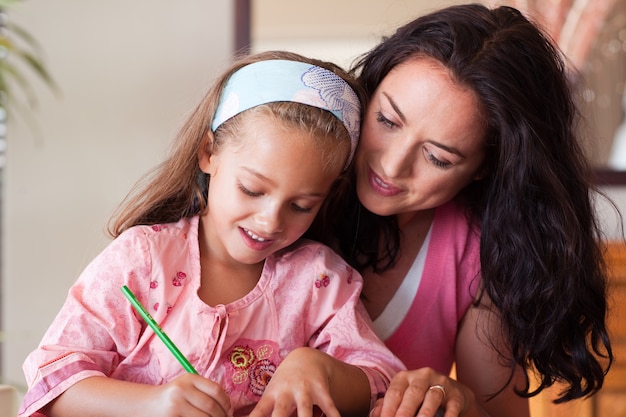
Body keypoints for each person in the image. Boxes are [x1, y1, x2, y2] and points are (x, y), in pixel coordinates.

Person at [18, 50, 405, 417]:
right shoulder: (142, 259)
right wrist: (151, 404)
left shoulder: (319, 282)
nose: (270, 221)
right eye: (252, 190)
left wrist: (319, 369)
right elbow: (54, 382)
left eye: (301, 205)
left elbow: (383, 383)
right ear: (209, 153)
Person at [315, 4, 615, 417]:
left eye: (438, 158)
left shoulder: (472, 251)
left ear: (483, 169)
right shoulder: (283, 196)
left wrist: (456, 398)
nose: (391, 165)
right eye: (386, 119)